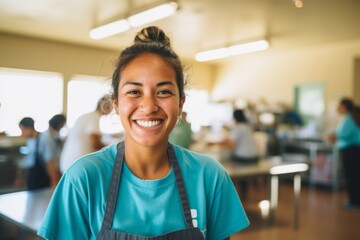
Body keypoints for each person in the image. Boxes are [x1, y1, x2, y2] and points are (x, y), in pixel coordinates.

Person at [38, 26, 249, 240]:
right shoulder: (82, 179)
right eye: (134, 92)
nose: (148, 107)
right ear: (117, 104)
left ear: (181, 103)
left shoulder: (210, 177)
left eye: (163, 92)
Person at [59, 95, 113, 173]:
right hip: (76, 162)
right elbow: (95, 143)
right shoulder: (94, 117)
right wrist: (112, 148)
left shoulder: (87, 116)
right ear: (105, 106)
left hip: (69, 161)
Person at [17, 115, 66, 190]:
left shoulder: (45, 140)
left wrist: (54, 186)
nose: (21, 134)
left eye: (22, 130)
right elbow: (28, 161)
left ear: (29, 128)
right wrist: (20, 178)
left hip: (43, 180)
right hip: (33, 179)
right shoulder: (30, 140)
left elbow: (51, 164)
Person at [329, 97, 360, 210]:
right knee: (355, 175)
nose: (338, 109)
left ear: (344, 107)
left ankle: (354, 202)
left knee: (352, 176)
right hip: (355, 149)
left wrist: (333, 137)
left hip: (351, 149)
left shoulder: (348, 118)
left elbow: (343, 134)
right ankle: (355, 200)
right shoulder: (353, 116)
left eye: (339, 106)